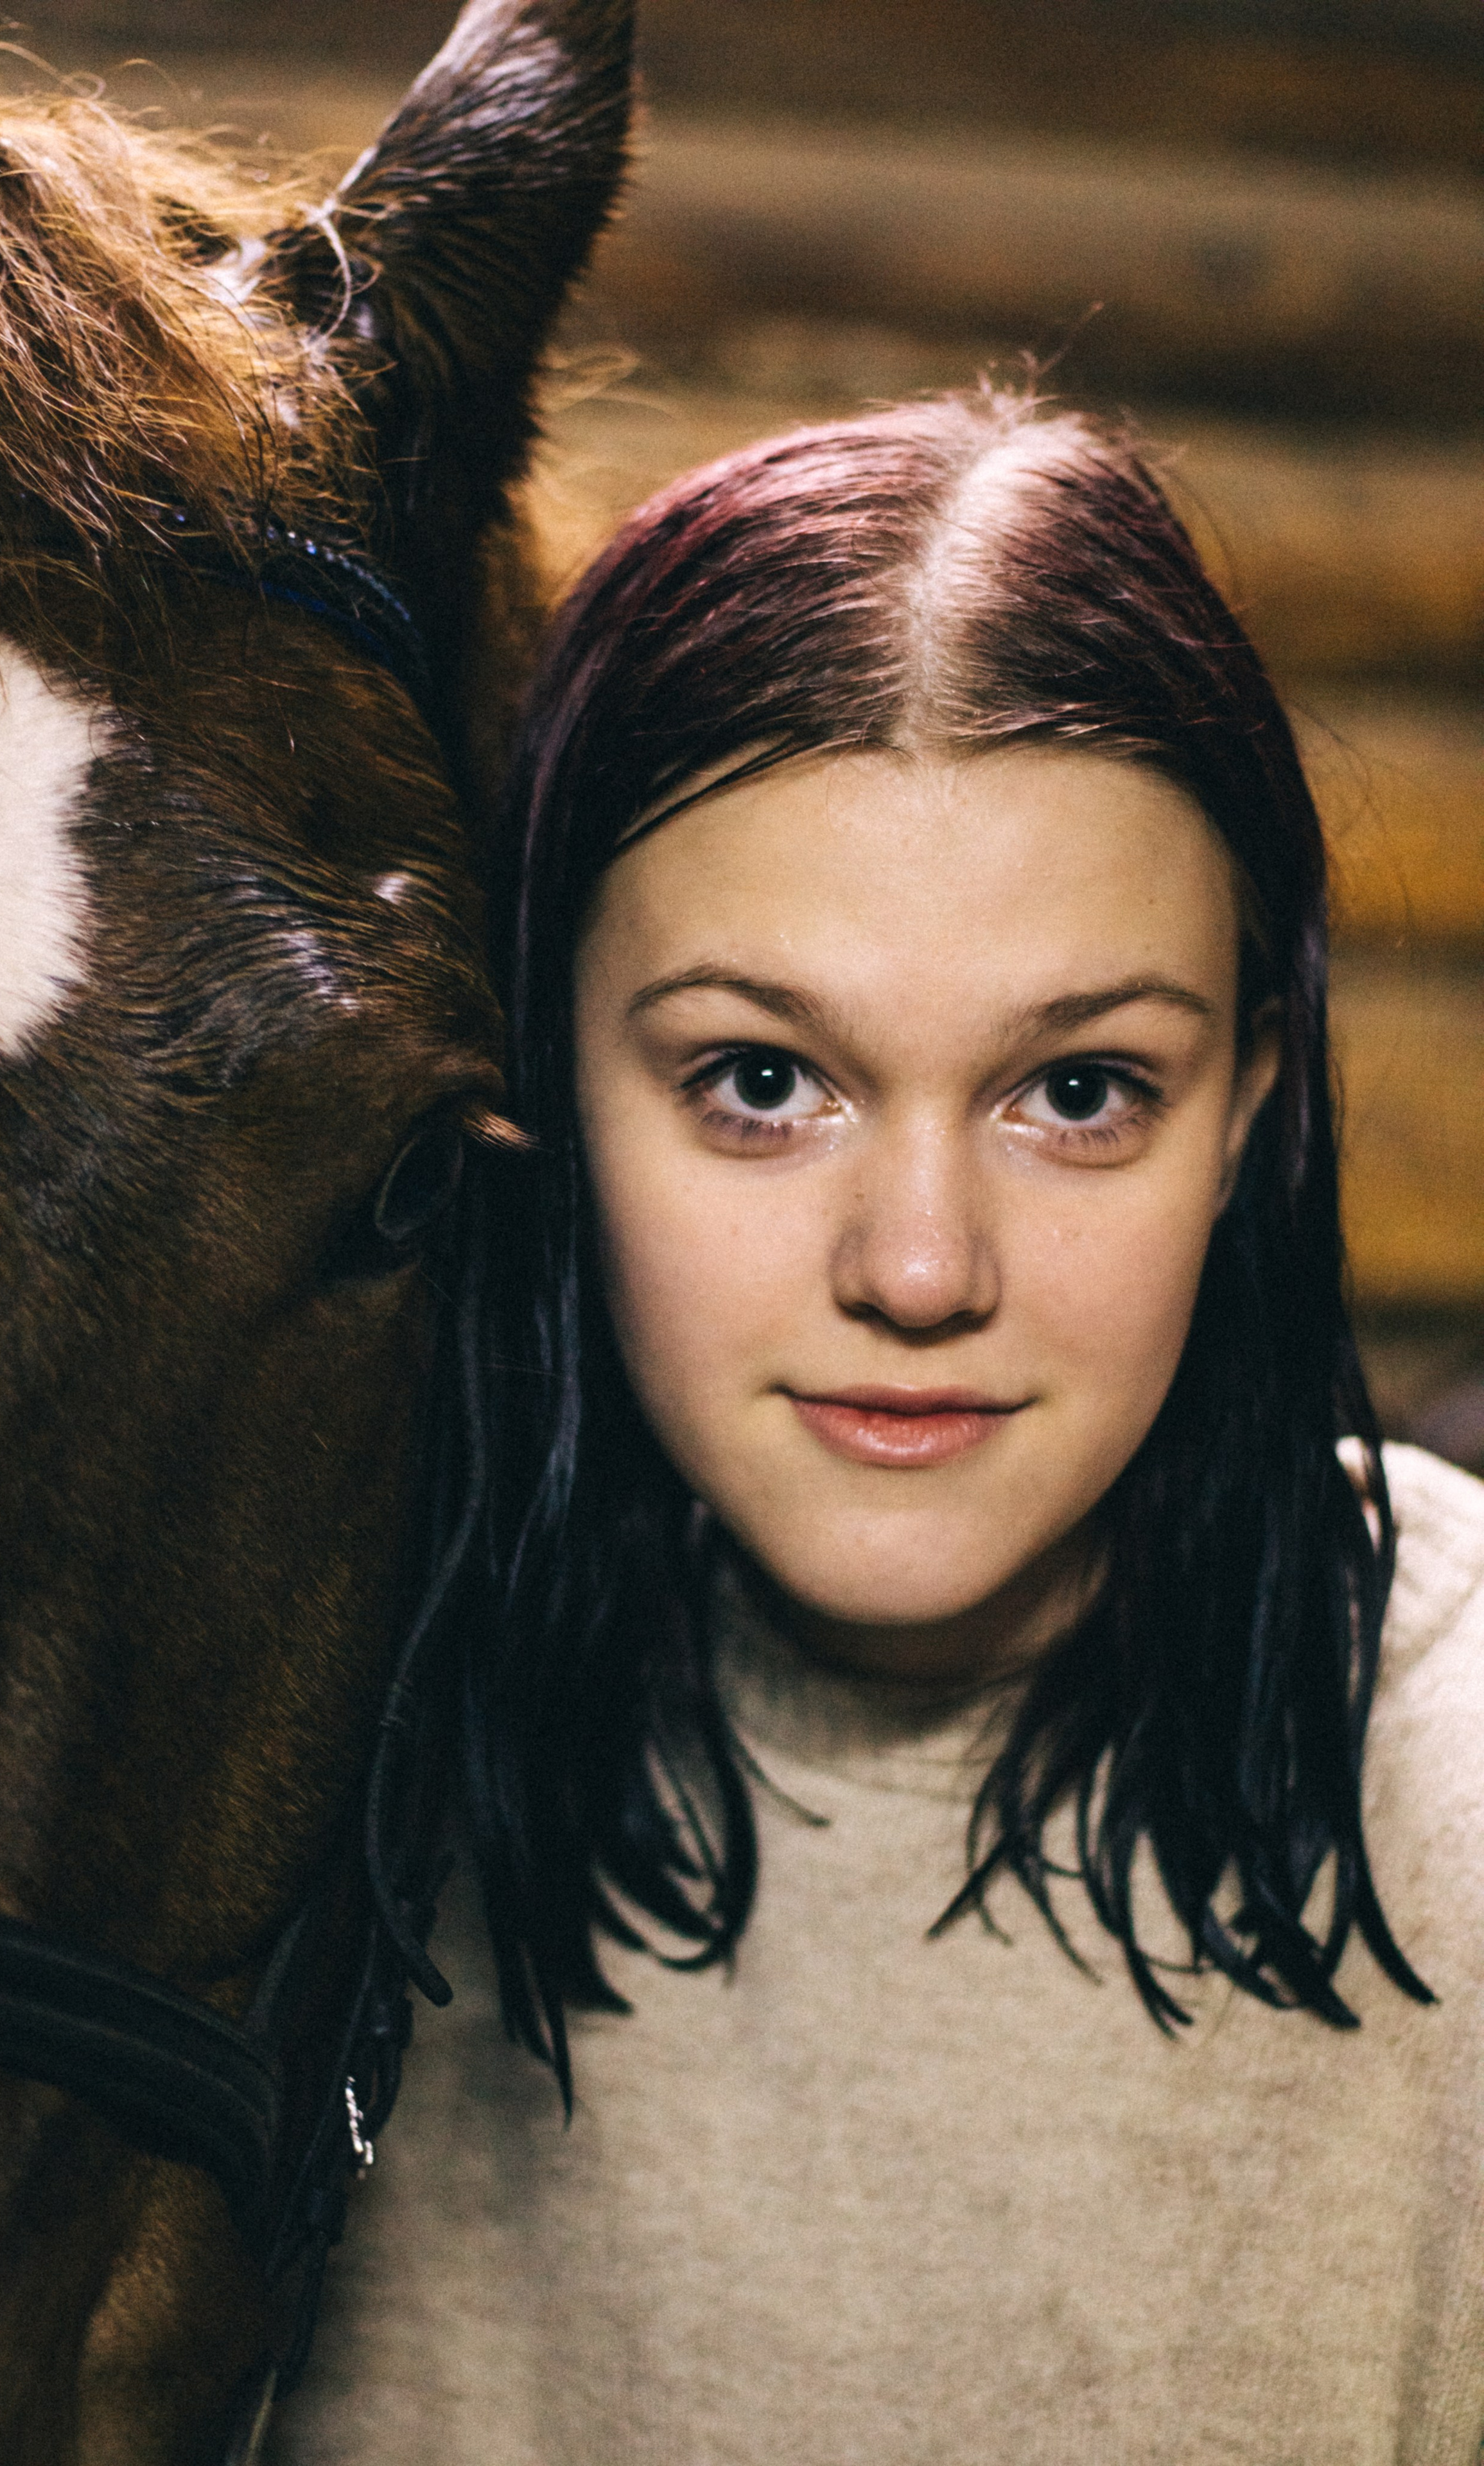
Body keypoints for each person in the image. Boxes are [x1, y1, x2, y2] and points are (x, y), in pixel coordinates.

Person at [274, 392, 1484, 2466]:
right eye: (760, 1079)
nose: (920, 1269)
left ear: (1248, 1117)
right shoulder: (309, 1764)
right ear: (546, 1085)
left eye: (1079, 1090)